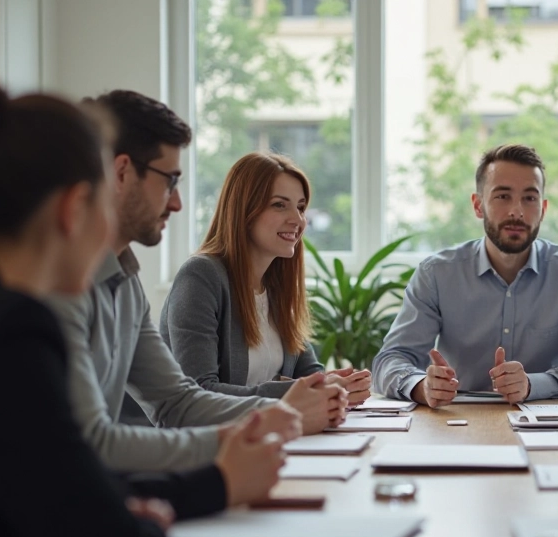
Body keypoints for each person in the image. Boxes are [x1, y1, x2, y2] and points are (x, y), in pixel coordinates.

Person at [0, 85, 283, 537]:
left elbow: (57, 486)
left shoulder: (34, 305)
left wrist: (122, 508)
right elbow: (111, 536)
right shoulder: (17, 326)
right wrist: (212, 483)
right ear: (75, 207)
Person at [45, 90, 347, 472]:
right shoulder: (57, 286)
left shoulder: (126, 282)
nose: (177, 204)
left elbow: (177, 401)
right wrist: (275, 415)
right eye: (169, 181)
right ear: (120, 173)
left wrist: (287, 408)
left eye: (301, 208)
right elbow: (92, 443)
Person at [373, 144, 558, 406]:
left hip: (546, 421)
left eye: (530, 198)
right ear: (478, 205)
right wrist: (421, 386)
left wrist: (533, 384)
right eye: (503, 197)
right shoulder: (436, 274)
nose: (517, 211)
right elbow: (391, 359)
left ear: (544, 209)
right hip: (458, 420)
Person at [160, 152, 371, 404]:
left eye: (301, 207)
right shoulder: (201, 277)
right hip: (217, 441)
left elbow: (308, 374)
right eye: (280, 205)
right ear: (244, 210)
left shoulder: (277, 286)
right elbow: (199, 395)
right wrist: (304, 391)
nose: (298, 220)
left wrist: (338, 386)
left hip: (276, 437)